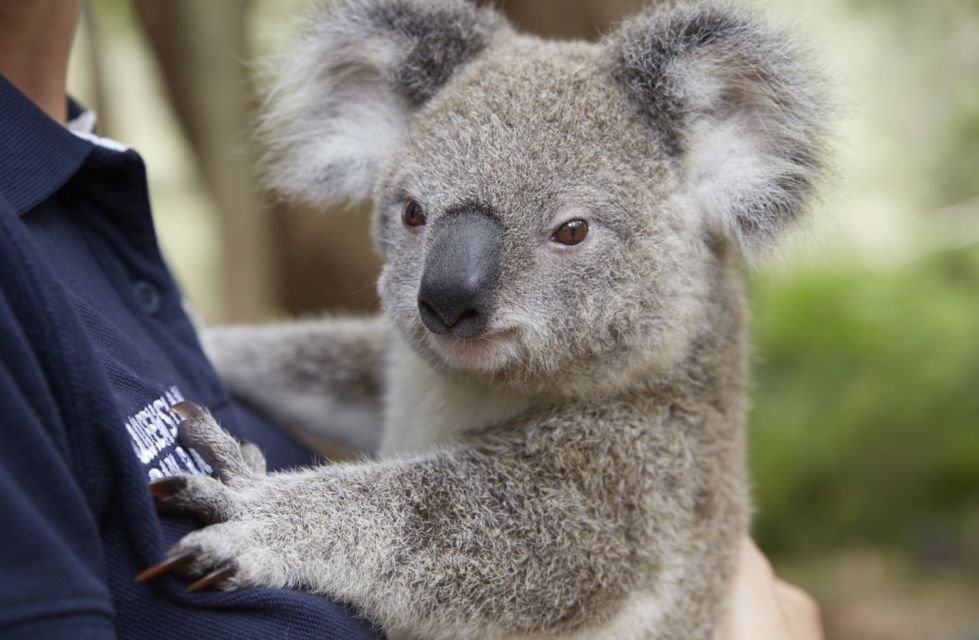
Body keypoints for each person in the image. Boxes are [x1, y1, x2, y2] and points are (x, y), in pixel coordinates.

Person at [0, 2, 823, 639]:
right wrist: (213, 357)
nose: (449, 288)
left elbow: (562, 545)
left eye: (568, 232)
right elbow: (387, 366)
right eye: (418, 217)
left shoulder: (642, 416)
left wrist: (286, 520)